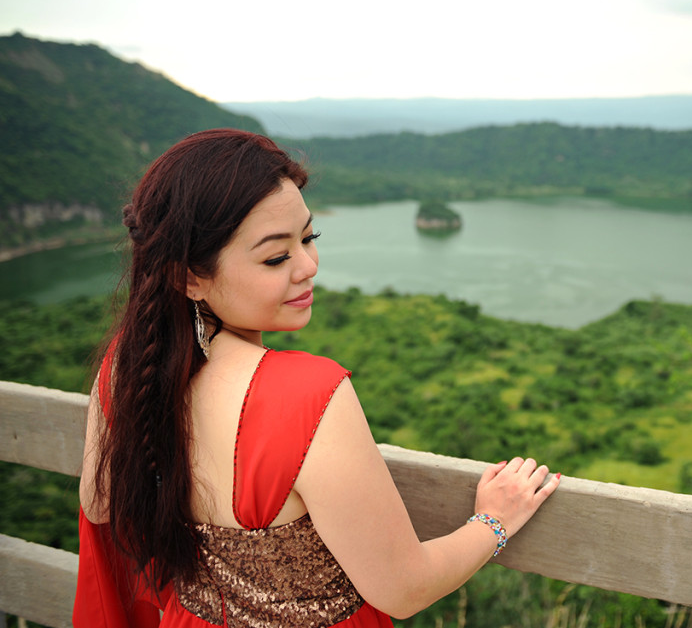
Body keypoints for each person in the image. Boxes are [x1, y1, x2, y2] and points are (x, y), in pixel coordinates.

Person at [75, 128, 560, 627]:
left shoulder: (130, 366)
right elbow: (403, 588)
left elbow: (100, 505)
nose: (309, 266)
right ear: (188, 277)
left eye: (309, 237)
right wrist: (494, 522)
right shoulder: (303, 394)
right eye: (275, 257)